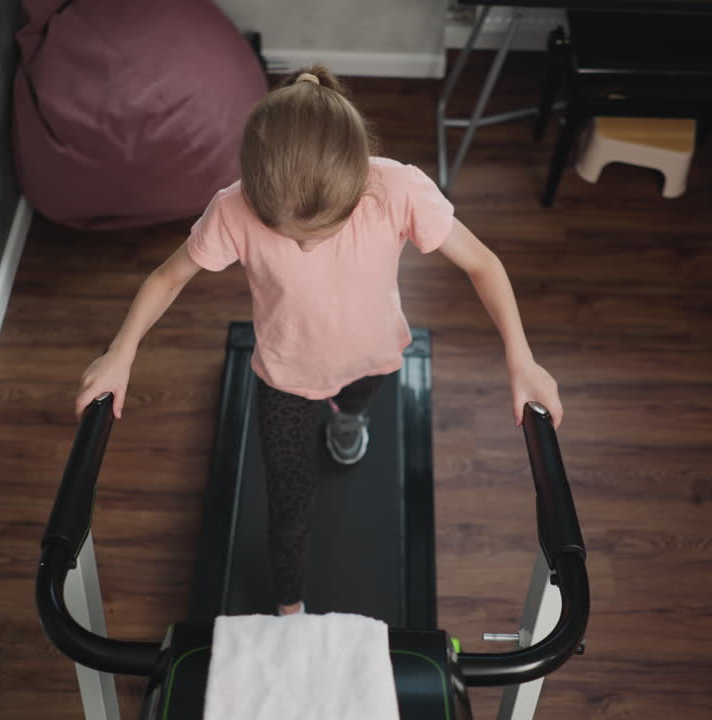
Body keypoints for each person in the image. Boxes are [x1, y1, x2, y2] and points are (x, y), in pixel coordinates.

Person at [75, 67, 564, 616]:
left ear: (358, 187)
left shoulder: (396, 188)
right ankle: (289, 606)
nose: (304, 250)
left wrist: (520, 359)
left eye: (319, 234)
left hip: (374, 357)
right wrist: (122, 352)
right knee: (288, 503)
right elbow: (167, 277)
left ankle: (347, 417)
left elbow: (483, 264)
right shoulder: (233, 208)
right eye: (289, 236)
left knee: (355, 404)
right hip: (284, 377)